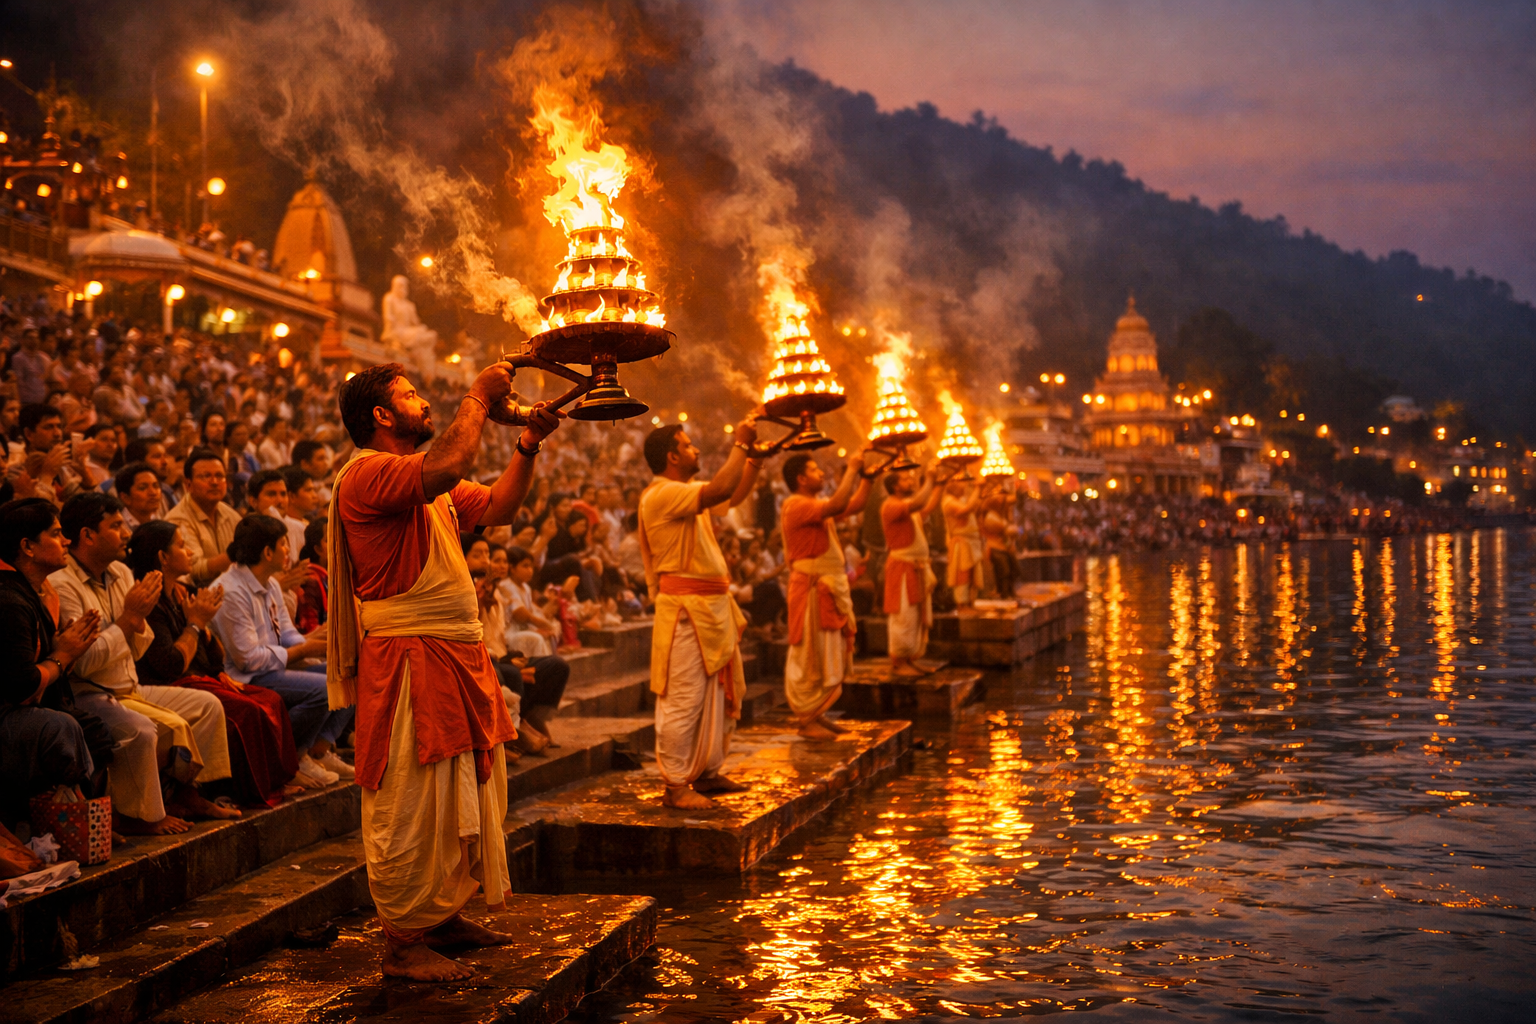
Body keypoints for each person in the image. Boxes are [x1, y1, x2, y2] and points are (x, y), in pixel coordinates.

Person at [328, 360, 560, 981]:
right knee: (411, 796)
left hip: (455, 654)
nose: (425, 404)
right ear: (381, 416)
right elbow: (452, 464)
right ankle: (403, 944)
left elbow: (502, 506)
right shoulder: (370, 474)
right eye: (410, 396)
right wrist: (478, 398)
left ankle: (444, 912)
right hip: (407, 662)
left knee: (465, 785)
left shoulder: (425, 485)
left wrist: (528, 445)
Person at [51, 492, 240, 835]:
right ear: (87, 535)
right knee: (141, 731)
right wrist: (129, 619)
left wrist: (135, 623)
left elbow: (138, 647)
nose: (125, 534)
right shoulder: (63, 584)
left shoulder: (121, 572)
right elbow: (83, 664)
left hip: (128, 684)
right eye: (116, 525)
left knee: (207, 706)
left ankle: (189, 793)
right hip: (88, 692)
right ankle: (145, 816)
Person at [127, 520, 306, 806]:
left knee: (270, 699)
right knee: (247, 711)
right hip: (169, 683)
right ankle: (244, 792)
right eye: (182, 546)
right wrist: (196, 624)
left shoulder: (183, 591)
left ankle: (278, 780)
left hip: (200, 676)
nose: (188, 553)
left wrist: (207, 636)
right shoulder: (150, 600)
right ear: (162, 557)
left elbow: (213, 656)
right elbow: (171, 665)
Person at [637, 418, 760, 811]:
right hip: (686, 612)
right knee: (684, 698)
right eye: (689, 446)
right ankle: (675, 785)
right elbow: (722, 487)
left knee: (718, 695)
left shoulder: (686, 492)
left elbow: (731, 497)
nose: (697, 450)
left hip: (711, 608)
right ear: (672, 457)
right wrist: (740, 443)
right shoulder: (662, 494)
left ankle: (706, 772)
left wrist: (753, 460)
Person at [209, 514, 353, 788]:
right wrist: (303, 651)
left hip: (274, 666)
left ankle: (318, 750)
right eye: (284, 544)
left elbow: (285, 633)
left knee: (352, 670)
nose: (289, 550)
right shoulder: (230, 590)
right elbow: (247, 660)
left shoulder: (271, 582)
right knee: (324, 688)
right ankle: (292, 757)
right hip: (245, 678)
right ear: (267, 551)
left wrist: (320, 643)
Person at [0, 498, 103, 826]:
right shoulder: (9, 600)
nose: (67, 541)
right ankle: (68, 822)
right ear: (27, 546)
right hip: (7, 713)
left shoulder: (37, 592)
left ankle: (84, 819)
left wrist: (67, 650)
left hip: (29, 704)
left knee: (96, 728)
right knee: (62, 727)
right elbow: (21, 685)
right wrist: (63, 655)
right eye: (57, 534)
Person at [780, 450, 871, 739]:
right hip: (811, 590)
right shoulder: (795, 504)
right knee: (810, 653)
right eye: (814, 469)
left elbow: (855, 504)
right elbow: (841, 501)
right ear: (801, 479)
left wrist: (868, 478)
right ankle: (807, 719)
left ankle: (816, 712)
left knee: (827, 651)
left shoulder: (816, 505)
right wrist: (853, 468)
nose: (821, 473)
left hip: (826, 590)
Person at [881, 466, 942, 676]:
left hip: (915, 568)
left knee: (915, 617)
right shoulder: (891, 506)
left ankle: (910, 658)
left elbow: (927, 506)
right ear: (895, 486)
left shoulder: (907, 506)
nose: (912, 481)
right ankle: (899, 662)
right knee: (903, 615)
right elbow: (919, 502)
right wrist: (930, 479)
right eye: (906, 479)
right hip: (902, 569)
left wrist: (939, 485)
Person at [165, 447, 242, 585]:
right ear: (188, 485)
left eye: (219, 476)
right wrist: (234, 555)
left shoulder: (230, 514)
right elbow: (192, 570)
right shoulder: (178, 520)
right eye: (206, 476)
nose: (214, 482)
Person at [942, 477, 985, 608]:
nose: (964, 486)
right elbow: (966, 509)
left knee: (972, 574)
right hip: (961, 543)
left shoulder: (961, 499)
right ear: (952, 485)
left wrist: (980, 491)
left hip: (971, 543)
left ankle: (969, 602)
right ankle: (961, 603)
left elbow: (975, 508)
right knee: (963, 574)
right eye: (961, 483)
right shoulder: (948, 502)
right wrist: (978, 489)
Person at [115, 460, 165, 531]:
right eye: (143, 488)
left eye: (156, 486)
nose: (153, 493)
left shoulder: (159, 521)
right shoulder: (119, 527)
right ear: (125, 498)